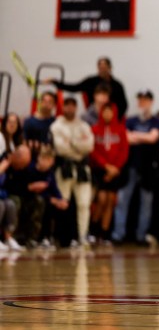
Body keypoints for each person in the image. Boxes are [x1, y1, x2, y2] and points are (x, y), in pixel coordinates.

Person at [112, 90, 159, 245]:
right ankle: (118, 234)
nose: (143, 103)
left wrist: (136, 136)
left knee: (146, 203)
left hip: (147, 168)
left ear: (151, 102)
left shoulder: (156, 121)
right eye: (140, 100)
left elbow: (153, 138)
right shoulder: (130, 120)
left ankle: (141, 235)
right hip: (130, 166)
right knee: (122, 200)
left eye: (146, 100)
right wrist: (143, 137)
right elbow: (125, 138)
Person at [51, 97, 95, 247]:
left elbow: (88, 146)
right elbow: (60, 148)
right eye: (67, 106)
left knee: (84, 203)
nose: (69, 109)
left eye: (72, 106)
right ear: (63, 107)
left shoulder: (83, 125)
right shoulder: (56, 126)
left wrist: (71, 141)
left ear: (76, 108)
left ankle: (82, 235)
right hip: (65, 166)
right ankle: (64, 238)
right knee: (63, 202)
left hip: (82, 168)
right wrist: (78, 144)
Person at [90, 103, 129, 244]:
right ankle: (93, 230)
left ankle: (104, 234)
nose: (107, 114)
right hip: (100, 169)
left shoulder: (120, 130)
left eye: (110, 112)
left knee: (111, 201)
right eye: (105, 112)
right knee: (101, 199)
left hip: (115, 170)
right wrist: (106, 166)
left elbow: (124, 151)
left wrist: (115, 169)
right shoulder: (94, 129)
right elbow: (93, 150)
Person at [49, 57, 128, 119]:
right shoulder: (91, 81)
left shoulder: (117, 85)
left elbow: (124, 104)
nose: (102, 70)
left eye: (104, 67)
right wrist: (56, 82)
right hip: (94, 114)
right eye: (100, 67)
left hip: (112, 116)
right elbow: (74, 87)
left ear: (110, 68)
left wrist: (115, 117)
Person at [25, 146, 69, 249]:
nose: (45, 162)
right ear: (38, 158)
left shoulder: (50, 173)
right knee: (45, 205)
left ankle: (63, 240)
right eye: (43, 158)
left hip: (48, 199)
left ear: (52, 162)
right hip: (33, 199)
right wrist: (51, 199)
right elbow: (28, 190)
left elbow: (54, 188)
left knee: (65, 205)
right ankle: (40, 238)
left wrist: (61, 200)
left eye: (49, 160)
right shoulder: (31, 170)